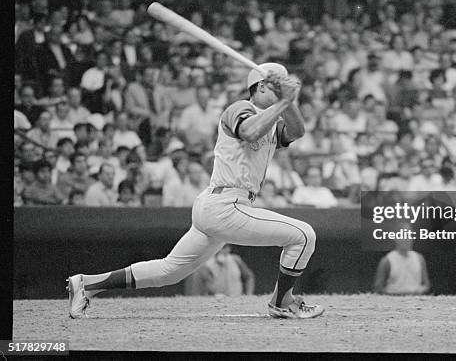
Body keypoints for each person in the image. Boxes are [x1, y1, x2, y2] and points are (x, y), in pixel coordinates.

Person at [67, 62, 324, 319]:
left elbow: (297, 131)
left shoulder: (272, 118)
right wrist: (283, 101)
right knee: (304, 235)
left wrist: (288, 102)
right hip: (226, 204)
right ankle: (282, 302)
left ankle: (87, 284)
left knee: (169, 272)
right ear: (260, 86)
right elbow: (249, 131)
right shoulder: (241, 108)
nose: (279, 93)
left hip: (221, 205)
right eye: (275, 88)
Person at [184, 245, 255, 297]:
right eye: (218, 249)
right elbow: (205, 285)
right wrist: (215, 294)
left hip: (236, 298)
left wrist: (249, 294)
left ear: (228, 249)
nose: (221, 251)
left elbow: (249, 276)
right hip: (217, 300)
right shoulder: (206, 265)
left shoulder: (236, 260)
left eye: (223, 248)